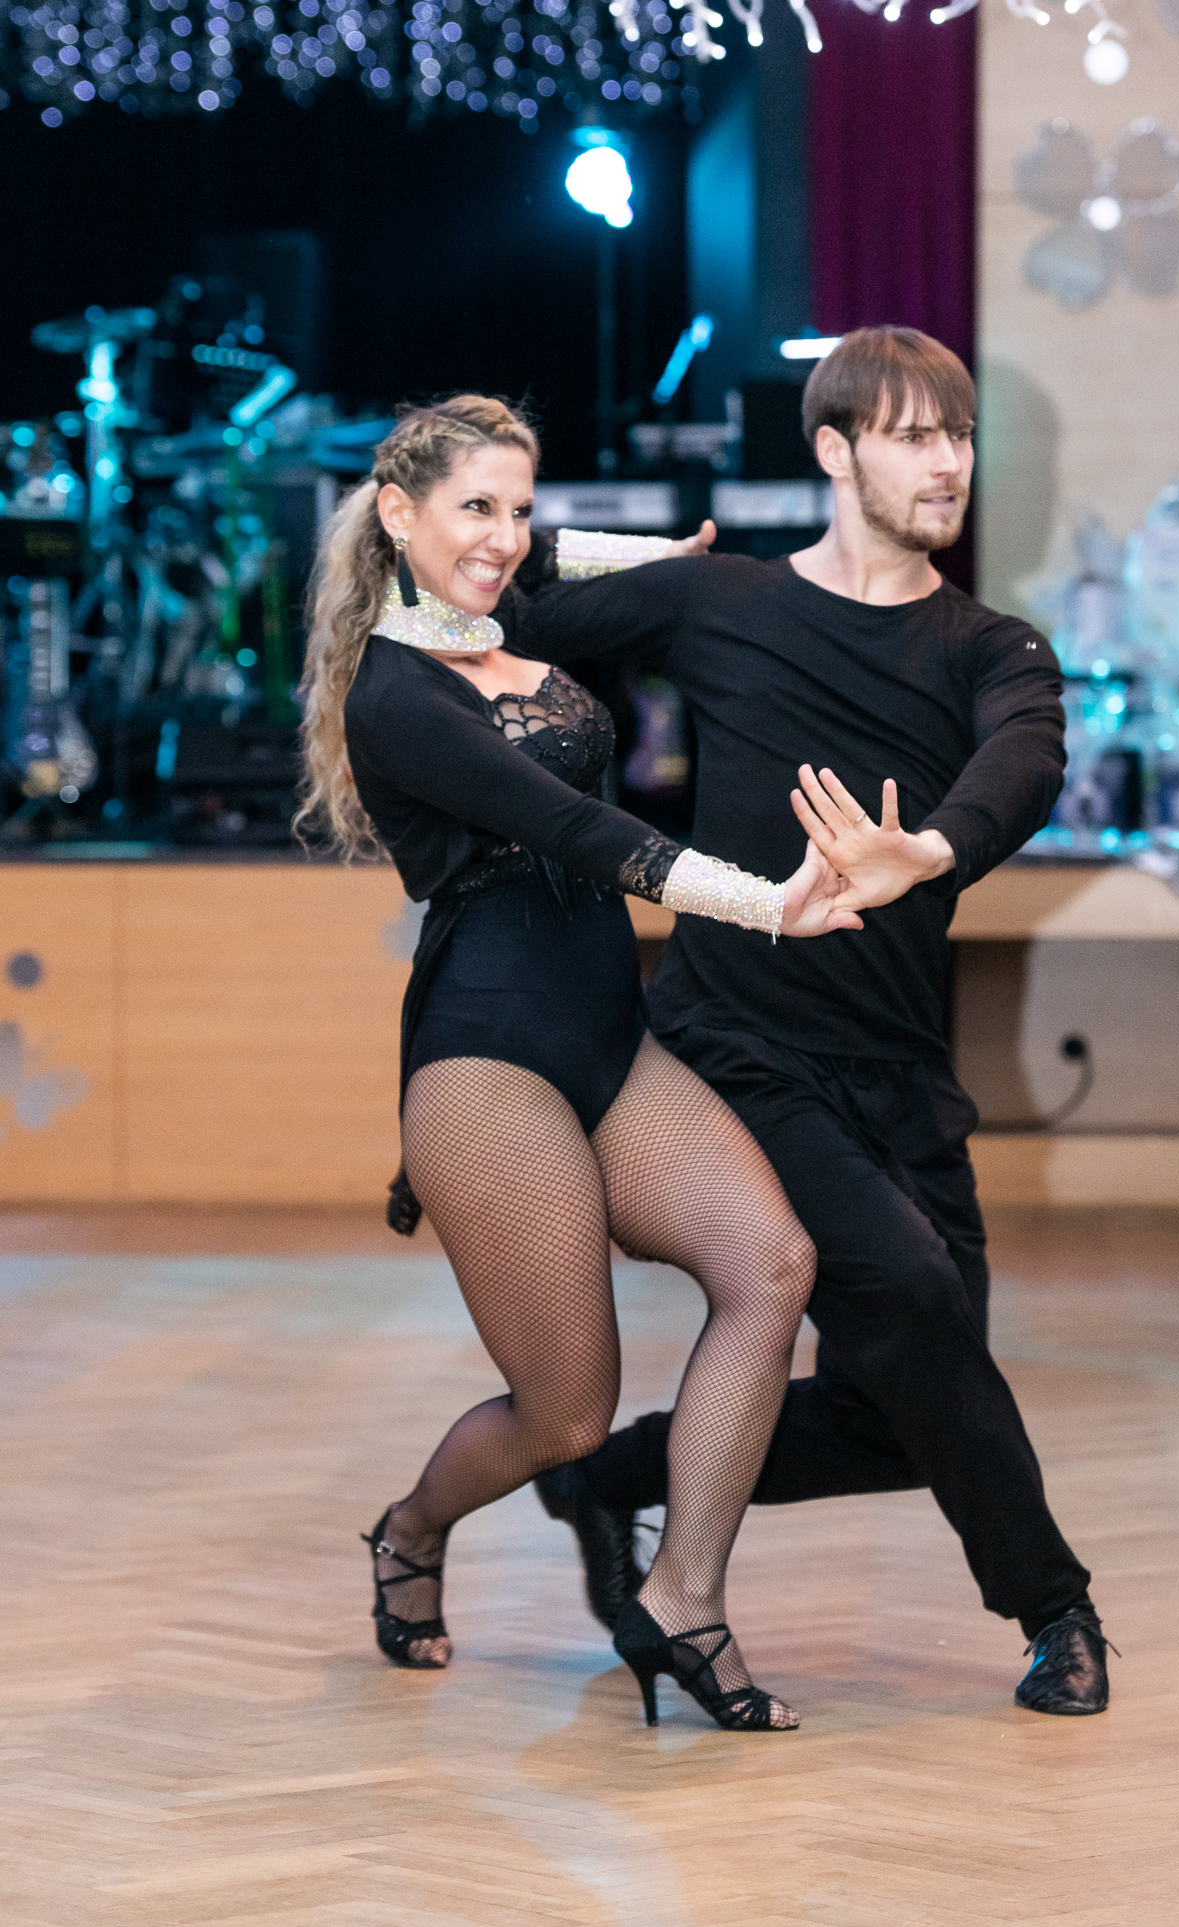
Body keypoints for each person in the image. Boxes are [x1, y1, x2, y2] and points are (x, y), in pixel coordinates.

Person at [516, 327, 1114, 1718]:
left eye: (959, 436)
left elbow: (1027, 757)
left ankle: (608, 1477)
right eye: (914, 435)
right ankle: (1058, 1610)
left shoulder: (993, 646)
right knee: (910, 1296)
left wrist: (932, 850)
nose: (948, 463)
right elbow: (496, 596)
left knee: (899, 1411)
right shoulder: (719, 600)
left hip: (900, 1072)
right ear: (834, 451)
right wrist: (623, 552)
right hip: (739, 1050)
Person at [295, 394, 904, 1733]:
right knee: (567, 1418)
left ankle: (683, 1598)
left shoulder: (499, 604)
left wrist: (668, 554)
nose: (504, 536)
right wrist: (769, 903)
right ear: (397, 515)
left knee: (771, 1266)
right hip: (487, 1058)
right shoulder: (395, 695)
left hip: (607, 1038)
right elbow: (578, 831)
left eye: (519, 507)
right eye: (475, 509)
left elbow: (551, 553)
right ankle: (412, 1528)